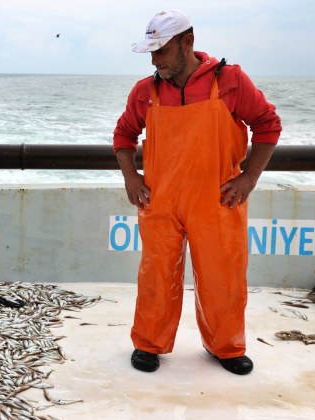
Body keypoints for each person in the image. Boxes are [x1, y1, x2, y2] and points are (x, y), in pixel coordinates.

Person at [113, 10, 282, 375]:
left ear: (187, 42)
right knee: (156, 274)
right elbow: (123, 135)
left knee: (224, 277)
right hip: (161, 200)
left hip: (219, 200)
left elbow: (268, 124)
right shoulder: (146, 91)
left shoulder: (232, 81)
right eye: (151, 53)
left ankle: (226, 347)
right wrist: (132, 177)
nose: (155, 60)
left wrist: (249, 178)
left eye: (161, 50)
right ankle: (148, 344)